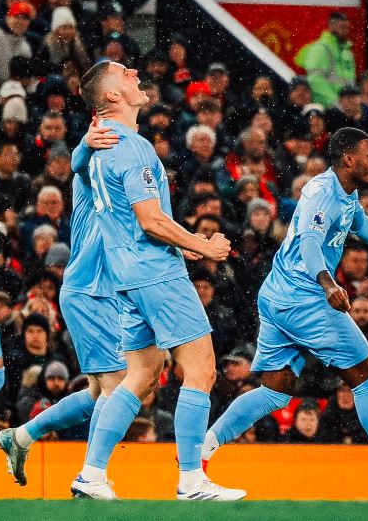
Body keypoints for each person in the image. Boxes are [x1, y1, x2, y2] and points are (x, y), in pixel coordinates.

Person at [202, 127, 368, 499]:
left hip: (278, 296)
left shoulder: (346, 192)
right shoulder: (322, 194)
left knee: (274, 392)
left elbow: (360, 223)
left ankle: (201, 450)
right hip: (305, 298)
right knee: (367, 377)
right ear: (349, 159)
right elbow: (310, 242)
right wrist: (328, 284)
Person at [69, 61, 242, 501]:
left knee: (142, 374)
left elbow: (134, 215)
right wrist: (202, 245)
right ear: (112, 96)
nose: (134, 73)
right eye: (124, 73)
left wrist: (183, 242)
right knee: (201, 369)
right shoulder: (132, 147)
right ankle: (191, 481)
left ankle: (91, 474)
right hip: (156, 273)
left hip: (125, 276)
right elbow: (149, 220)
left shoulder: (98, 148)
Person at [0, 117, 128, 486]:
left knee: (101, 391)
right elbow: (81, 157)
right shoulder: (92, 171)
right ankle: (92, 475)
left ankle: (22, 436)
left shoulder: (113, 183)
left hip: (102, 291)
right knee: (119, 386)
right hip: (90, 291)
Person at [296, 12, 356, 108]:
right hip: (327, 108)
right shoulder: (320, 49)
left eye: (347, 28)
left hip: (346, 108)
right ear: (332, 26)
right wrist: (336, 104)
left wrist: (351, 103)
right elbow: (315, 80)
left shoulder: (347, 52)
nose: (346, 31)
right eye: (342, 27)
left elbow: (350, 82)